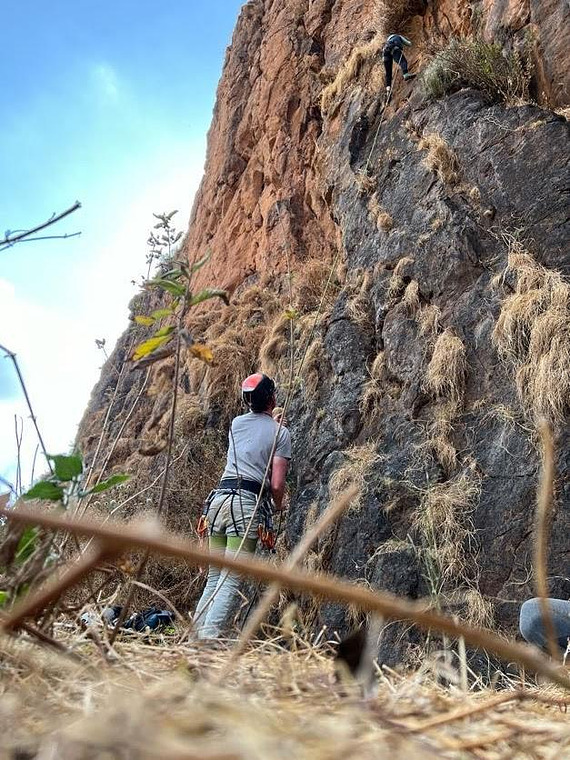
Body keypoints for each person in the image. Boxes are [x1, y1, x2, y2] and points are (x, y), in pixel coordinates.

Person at [193, 372, 291, 640]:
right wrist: (279, 506)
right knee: (232, 578)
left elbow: (253, 440)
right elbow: (276, 486)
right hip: (244, 508)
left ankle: (193, 639)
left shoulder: (236, 424)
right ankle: (206, 643)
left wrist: (272, 426)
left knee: (215, 578)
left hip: (218, 504)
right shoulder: (280, 433)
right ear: (272, 397)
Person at [383, 33, 416, 99]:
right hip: (394, 50)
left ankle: (388, 90)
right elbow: (409, 44)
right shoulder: (398, 36)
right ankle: (406, 75)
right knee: (403, 61)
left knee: (388, 73)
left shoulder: (387, 42)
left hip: (385, 54)